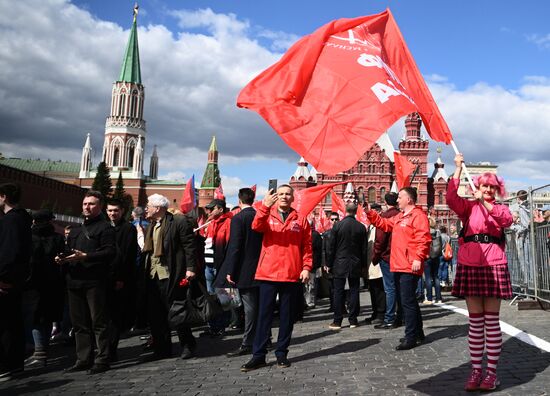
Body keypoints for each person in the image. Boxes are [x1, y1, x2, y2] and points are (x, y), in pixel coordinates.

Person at [447, 154, 513, 391]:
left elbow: (506, 220)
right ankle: (476, 371)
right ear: (478, 186)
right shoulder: (468, 208)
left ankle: (491, 373)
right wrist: (456, 169)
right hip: (470, 262)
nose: (487, 189)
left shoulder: (500, 208)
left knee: (491, 322)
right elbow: (451, 198)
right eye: (484, 185)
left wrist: (484, 203)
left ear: (496, 189)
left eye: (491, 186)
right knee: (475, 323)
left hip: (493, 264)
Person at [241, 185, 312, 372]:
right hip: (268, 273)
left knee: (287, 317)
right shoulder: (267, 214)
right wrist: (264, 206)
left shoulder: (301, 219)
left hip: (291, 273)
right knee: (263, 316)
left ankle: (281, 353)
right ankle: (259, 355)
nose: (283, 197)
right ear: (276, 197)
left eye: (287, 194)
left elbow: (307, 246)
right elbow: (256, 226)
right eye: (280, 194)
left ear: (292, 197)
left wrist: (306, 267)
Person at [58, 190, 116, 374]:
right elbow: (69, 250)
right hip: (74, 281)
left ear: (100, 207)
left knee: (98, 322)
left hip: (94, 281)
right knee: (79, 324)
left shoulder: (105, 228)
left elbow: (110, 252)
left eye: (91, 204)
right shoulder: (75, 229)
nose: (87, 207)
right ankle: (83, 358)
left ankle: (102, 359)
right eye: (85, 204)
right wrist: (62, 258)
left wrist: (87, 256)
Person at [366, 187, 431, 350]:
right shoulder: (400, 216)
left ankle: (410, 337)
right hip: (399, 264)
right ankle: (418, 332)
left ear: (409, 199)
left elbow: (423, 238)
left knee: (407, 302)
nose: (397, 200)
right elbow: (385, 224)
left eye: (400, 197)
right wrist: (370, 213)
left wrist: (418, 257)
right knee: (408, 301)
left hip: (409, 264)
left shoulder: (418, 215)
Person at [141, 194, 198, 361]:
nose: (147, 209)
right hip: (153, 275)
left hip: (171, 274)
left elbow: (189, 246)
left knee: (178, 313)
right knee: (156, 315)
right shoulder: (152, 224)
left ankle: (188, 344)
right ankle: (162, 348)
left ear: (158, 208)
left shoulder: (178, 221)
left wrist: (190, 268)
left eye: (149, 206)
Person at [215, 188, 263, 357]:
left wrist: (230, 270)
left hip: (243, 269)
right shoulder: (259, 216)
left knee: (249, 308)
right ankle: (264, 337)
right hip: (261, 267)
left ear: (239, 200)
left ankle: (248, 342)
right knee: (257, 306)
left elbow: (235, 247)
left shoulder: (238, 218)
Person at [23, 209, 65, 368]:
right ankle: (43, 350)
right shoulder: (57, 238)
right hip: (54, 283)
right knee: (48, 317)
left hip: (33, 285)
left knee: (34, 318)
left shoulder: (29, 238)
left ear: (34, 221)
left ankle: (39, 353)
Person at [0, 183, 32, 381]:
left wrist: (2, 278)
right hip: (16, 279)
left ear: (3, 197)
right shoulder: (22, 219)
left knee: (5, 325)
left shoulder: (11, 221)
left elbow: (8, 253)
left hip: (6, 282)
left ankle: (6, 365)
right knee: (14, 322)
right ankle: (16, 364)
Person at [105, 199, 138, 361]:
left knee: (114, 316)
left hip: (119, 278)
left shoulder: (128, 229)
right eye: (110, 210)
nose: (112, 213)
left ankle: (111, 349)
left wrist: (121, 278)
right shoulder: (104, 227)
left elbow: (127, 256)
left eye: (115, 210)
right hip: (102, 277)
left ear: (122, 211)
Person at [326, 203, 367, 329]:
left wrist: (328, 263)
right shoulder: (361, 227)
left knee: (338, 291)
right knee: (354, 291)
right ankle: (353, 320)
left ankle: (337, 321)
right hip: (355, 262)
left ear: (345, 210)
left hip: (339, 262)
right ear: (356, 211)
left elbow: (331, 247)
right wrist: (364, 265)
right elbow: (364, 249)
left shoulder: (337, 226)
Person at [202, 198, 232, 338]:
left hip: (220, 266)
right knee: (211, 298)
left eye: (211, 208)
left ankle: (221, 326)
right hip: (209, 266)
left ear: (220, 209)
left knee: (223, 298)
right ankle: (213, 326)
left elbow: (229, 246)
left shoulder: (228, 222)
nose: (208, 211)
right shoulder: (211, 223)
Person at [372, 192, 402, 330]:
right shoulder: (401, 215)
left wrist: (376, 256)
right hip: (399, 256)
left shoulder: (385, 216)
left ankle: (389, 318)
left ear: (385, 202)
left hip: (386, 256)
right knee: (399, 287)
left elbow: (380, 240)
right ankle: (401, 316)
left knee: (389, 289)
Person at [364, 203, 385, 326]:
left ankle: (381, 313)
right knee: (373, 289)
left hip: (377, 262)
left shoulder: (380, 225)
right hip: (370, 263)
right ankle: (375, 312)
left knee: (379, 289)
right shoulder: (370, 227)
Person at [322, 212, 340, 313]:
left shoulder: (342, 232)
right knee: (331, 286)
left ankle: (341, 306)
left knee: (341, 286)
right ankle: (332, 305)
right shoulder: (326, 234)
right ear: (329, 220)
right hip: (330, 264)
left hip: (340, 263)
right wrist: (324, 263)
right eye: (332, 219)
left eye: (336, 219)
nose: (334, 221)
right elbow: (323, 250)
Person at [423, 217, 443, 304]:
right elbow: (441, 244)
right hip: (436, 256)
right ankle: (439, 298)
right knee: (436, 277)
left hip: (427, 257)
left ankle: (429, 298)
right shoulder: (438, 232)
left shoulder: (425, 232)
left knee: (428, 278)